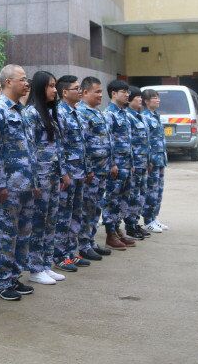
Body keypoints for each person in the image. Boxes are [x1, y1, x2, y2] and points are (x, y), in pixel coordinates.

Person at [0, 64, 39, 302]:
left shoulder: (22, 111)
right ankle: (0, 282)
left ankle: (13, 277)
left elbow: (30, 149)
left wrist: (34, 180)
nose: (27, 83)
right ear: (8, 82)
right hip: (8, 187)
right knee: (4, 236)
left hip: (25, 185)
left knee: (22, 234)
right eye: (22, 79)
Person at [24, 71, 69, 285]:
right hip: (40, 178)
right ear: (40, 88)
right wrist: (33, 180)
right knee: (38, 222)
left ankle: (45, 264)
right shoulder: (31, 113)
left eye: (55, 86)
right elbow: (29, 149)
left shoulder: (50, 112)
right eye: (50, 86)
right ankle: (35, 268)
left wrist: (62, 172)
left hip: (52, 175)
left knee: (51, 221)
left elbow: (57, 147)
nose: (54, 90)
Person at [53, 75, 90, 272]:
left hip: (79, 172)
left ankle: (69, 253)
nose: (80, 91)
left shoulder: (76, 112)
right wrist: (63, 172)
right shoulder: (60, 113)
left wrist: (87, 168)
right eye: (76, 88)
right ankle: (59, 255)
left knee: (76, 214)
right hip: (68, 174)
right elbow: (58, 146)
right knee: (64, 215)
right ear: (65, 92)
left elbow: (82, 144)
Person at [75, 77, 113, 262]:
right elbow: (83, 145)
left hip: (102, 169)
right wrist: (88, 169)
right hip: (91, 172)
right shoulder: (81, 113)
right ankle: (83, 245)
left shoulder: (97, 112)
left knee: (96, 208)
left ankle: (90, 240)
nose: (100, 95)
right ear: (84, 92)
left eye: (101, 92)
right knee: (87, 208)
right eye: (97, 92)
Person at [102, 79, 135, 250]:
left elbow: (128, 141)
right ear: (114, 94)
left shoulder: (124, 114)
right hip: (116, 165)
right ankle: (110, 233)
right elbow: (108, 141)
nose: (127, 95)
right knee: (112, 199)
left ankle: (117, 228)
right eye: (124, 92)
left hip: (126, 164)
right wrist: (112, 163)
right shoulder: (109, 114)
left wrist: (132, 163)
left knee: (123, 199)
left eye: (128, 92)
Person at [123, 86, 151, 240]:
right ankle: (130, 225)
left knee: (140, 195)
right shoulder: (128, 116)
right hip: (134, 163)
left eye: (141, 97)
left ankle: (135, 222)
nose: (140, 99)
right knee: (132, 195)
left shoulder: (140, 116)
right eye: (137, 97)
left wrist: (148, 160)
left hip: (142, 162)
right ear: (129, 100)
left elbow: (145, 141)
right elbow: (128, 142)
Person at [141, 89, 168, 233]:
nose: (158, 100)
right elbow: (146, 141)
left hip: (160, 159)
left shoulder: (156, 116)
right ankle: (148, 221)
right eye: (154, 98)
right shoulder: (145, 117)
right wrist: (149, 159)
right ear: (146, 101)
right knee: (151, 190)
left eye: (158, 97)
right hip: (152, 160)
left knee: (158, 190)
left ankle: (154, 217)